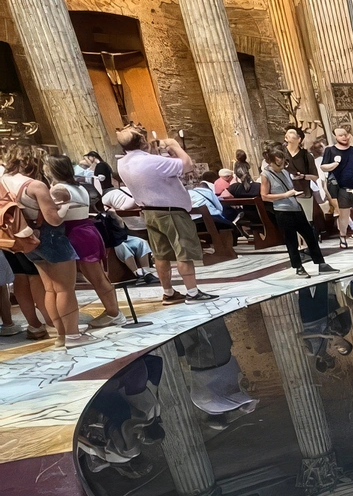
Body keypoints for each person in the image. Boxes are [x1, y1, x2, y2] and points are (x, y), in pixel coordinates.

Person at [2, 149, 95, 346]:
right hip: (51, 237)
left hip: (29, 239)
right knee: (65, 289)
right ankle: (73, 336)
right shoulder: (35, 185)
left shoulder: (5, 181)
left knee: (50, 289)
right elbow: (53, 220)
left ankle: (61, 336)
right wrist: (64, 207)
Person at [115, 124, 216, 304]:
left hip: (149, 212)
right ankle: (192, 293)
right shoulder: (152, 162)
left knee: (160, 254)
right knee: (183, 252)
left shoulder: (122, 163)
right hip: (171, 212)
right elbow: (187, 165)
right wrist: (174, 145)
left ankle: (168, 292)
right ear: (143, 141)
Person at [44, 154, 123, 328]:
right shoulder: (78, 186)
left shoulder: (59, 189)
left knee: (96, 277)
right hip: (86, 230)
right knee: (98, 276)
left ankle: (114, 313)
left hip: (77, 234)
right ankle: (113, 311)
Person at [262, 147, 332, 276]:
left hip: (296, 207)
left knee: (310, 236)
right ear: (270, 162)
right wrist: (285, 195)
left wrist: (294, 193)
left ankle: (321, 263)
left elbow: (290, 188)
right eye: (278, 164)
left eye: (283, 163)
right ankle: (298, 267)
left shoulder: (285, 172)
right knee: (291, 240)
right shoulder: (266, 175)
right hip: (282, 211)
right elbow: (264, 196)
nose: (281, 166)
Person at [319, 125, 353, 245]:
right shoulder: (330, 150)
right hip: (340, 187)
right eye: (341, 135)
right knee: (344, 214)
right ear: (335, 137)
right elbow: (323, 167)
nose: (344, 137)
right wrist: (334, 164)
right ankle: (343, 236)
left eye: (345, 135)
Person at [283, 126, 320, 221]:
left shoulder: (306, 156)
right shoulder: (281, 155)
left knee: (307, 221)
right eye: (287, 133)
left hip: (303, 193)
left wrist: (303, 176)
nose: (288, 135)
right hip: (284, 195)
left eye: (292, 133)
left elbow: (315, 177)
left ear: (299, 139)